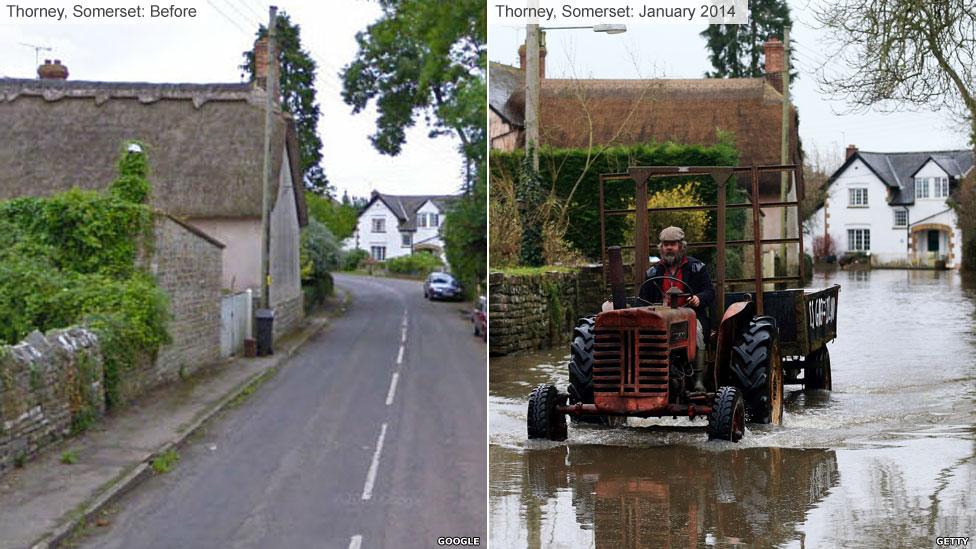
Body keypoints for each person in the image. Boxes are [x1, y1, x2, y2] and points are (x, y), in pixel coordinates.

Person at [638, 226, 715, 392]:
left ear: (681, 246)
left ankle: (698, 380)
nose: (669, 247)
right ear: (661, 247)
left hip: (690, 316)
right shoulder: (653, 272)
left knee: (698, 333)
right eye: (665, 244)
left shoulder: (696, 267)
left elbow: (709, 292)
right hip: (660, 320)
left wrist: (698, 298)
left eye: (672, 244)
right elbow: (642, 300)